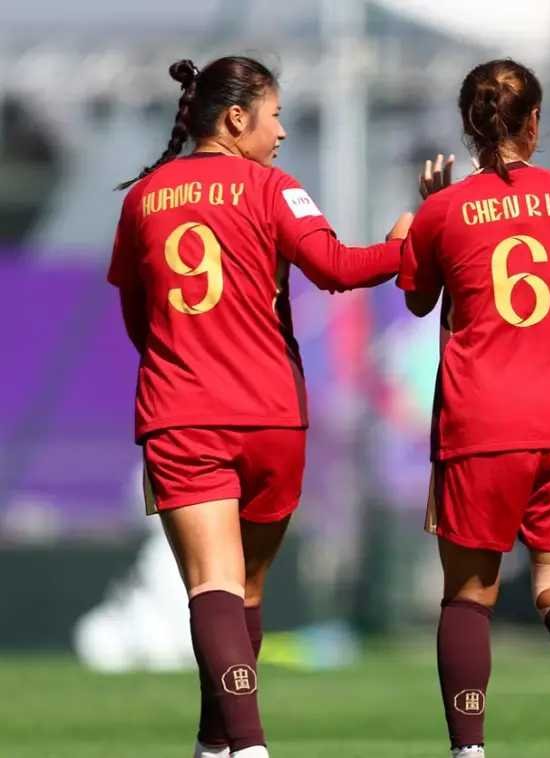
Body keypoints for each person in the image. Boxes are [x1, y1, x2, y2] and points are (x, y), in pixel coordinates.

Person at [109, 56, 410, 758]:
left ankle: (243, 746)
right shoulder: (274, 188)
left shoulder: (143, 198)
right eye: (275, 116)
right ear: (237, 117)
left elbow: (137, 320)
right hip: (273, 416)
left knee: (212, 587)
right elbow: (338, 268)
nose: (281, 132)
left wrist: (184, 356)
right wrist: (404, 245)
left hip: (183, 413)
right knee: (244, 590)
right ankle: (219, 745)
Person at [398, 58, 550, 758]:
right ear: (534, 123)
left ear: (468, 125)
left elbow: (417, 299)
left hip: (481, 424)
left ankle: (469, 749)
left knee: (468, 596)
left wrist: (432, 210)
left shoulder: (443, 211)